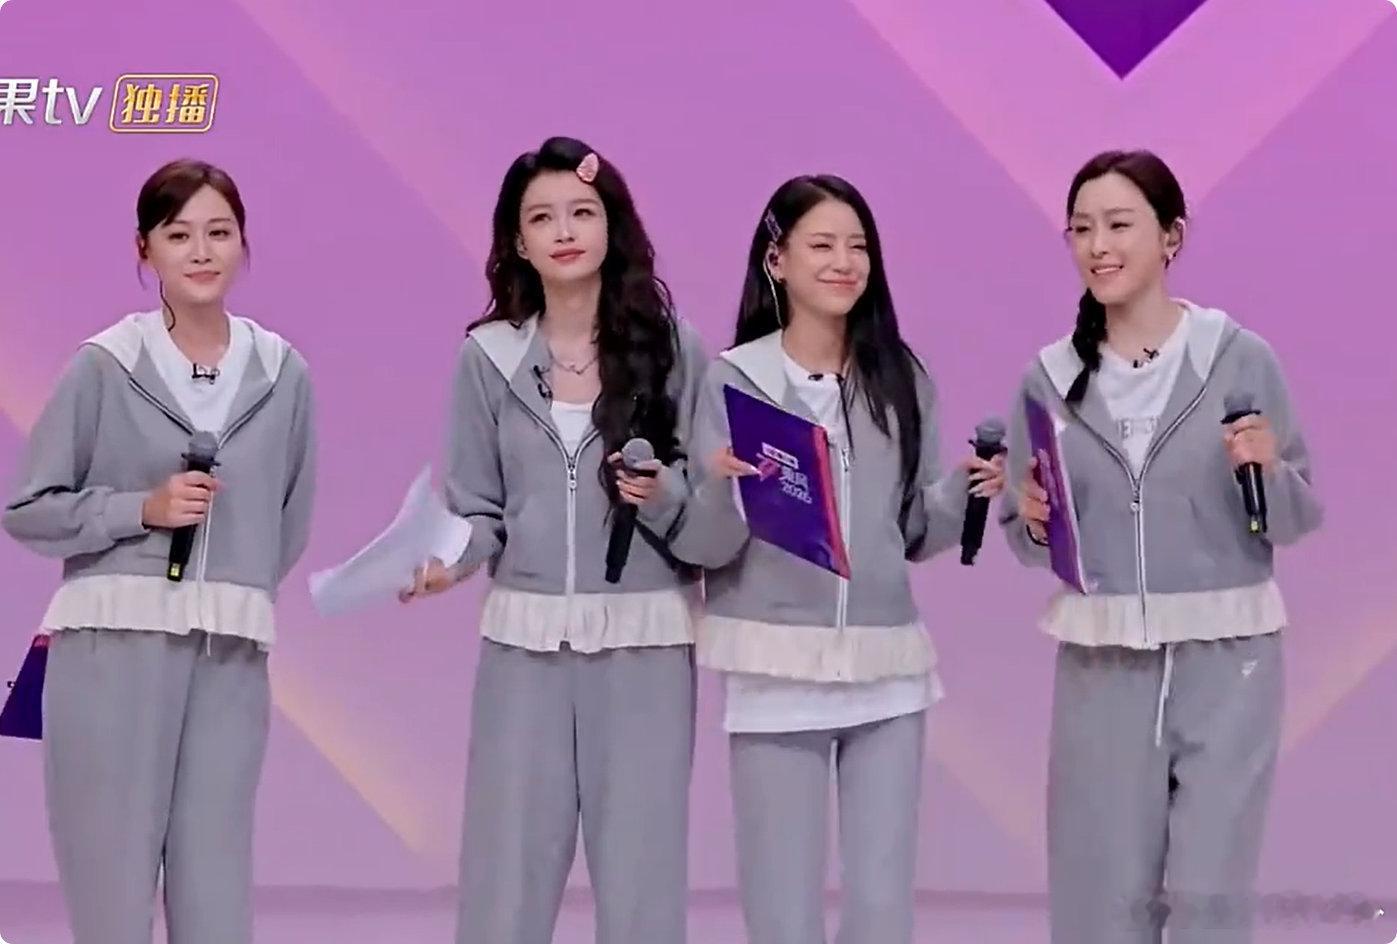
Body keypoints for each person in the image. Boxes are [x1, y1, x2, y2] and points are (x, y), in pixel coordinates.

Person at [999, 149, 1323, 944]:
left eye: (1118, 225)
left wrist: (1265, 471)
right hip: (1101, 664)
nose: (1097, 246)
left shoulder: (1237, 357)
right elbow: (1027, 532)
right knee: (1101, 892)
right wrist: (1033, 519)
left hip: (1229, 661)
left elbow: (1292, 515)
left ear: (1170, 237)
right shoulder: (1048, 377)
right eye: (1081, 229)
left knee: (1209, 892)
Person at [672, 174, 1004, 944]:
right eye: (821, 245)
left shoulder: (900, 376)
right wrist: (720, 490)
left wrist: (962, 492)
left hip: (886, 669)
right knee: (781, 907)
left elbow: (911, 531)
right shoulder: (734, 379)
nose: (843, 262)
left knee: (881, 907)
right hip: (775, 667)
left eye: (857, 247)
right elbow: (703, 546)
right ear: (776, 260)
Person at [399, 136, 708, 944]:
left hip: (644, 647)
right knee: (506, 873)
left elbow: (711, 506)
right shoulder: (488, 357)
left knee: (641, 876)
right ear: (517, 240)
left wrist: (663, 493)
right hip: (524, 652)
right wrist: (448, 561)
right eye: (541, 218)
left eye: (581, 212)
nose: (564, 231)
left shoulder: (673, 348)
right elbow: (478, 506)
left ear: (612, 225)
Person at [1, 158, 317, 944]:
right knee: (111, 882)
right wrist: (138, 509)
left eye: (219, 232)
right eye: (179, 235)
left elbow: (288, 518)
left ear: (243, 242)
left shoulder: (283, 374)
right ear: (144, 249)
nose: (201, 252)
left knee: (216, 885)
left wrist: (230, 585)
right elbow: (28, 508)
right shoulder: (104, 365)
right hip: (111, 651)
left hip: (229, 655)